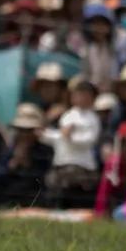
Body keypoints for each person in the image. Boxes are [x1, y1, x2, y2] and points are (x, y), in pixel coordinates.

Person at [41, 79, 101, 209]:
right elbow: (59, 136)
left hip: (82, 164)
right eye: (78, 94)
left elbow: (89, 140)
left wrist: (69, 137)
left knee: (77, 197)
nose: (81, 98)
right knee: (57, 191)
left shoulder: (93, 119)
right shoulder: (67, 116)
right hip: (62, 161)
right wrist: (44, 134)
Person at [0, 104, 53, 208]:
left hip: (33, 197)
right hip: (7, 195)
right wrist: (12, 164)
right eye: (21, 130)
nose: (24, 134)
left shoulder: (45, 151)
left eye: (29, 130)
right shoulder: (7, 149)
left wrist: (27, 164)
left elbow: (43, 180)